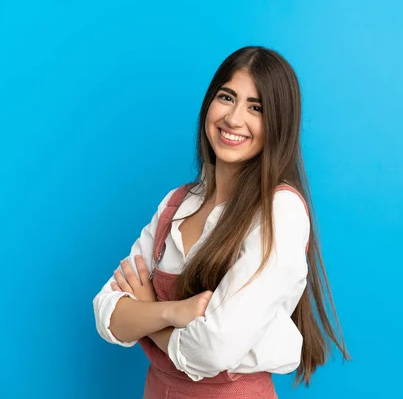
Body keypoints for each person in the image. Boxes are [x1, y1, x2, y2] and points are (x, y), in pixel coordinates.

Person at [93, 46, 350, 398]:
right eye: (226, 97)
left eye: (255, 107)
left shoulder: (279, 211)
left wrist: (147, 313)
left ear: (279, 124)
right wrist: (174, 310)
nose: (233, 118)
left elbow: (213, 350)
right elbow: (107, 313)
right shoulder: (176, 203)